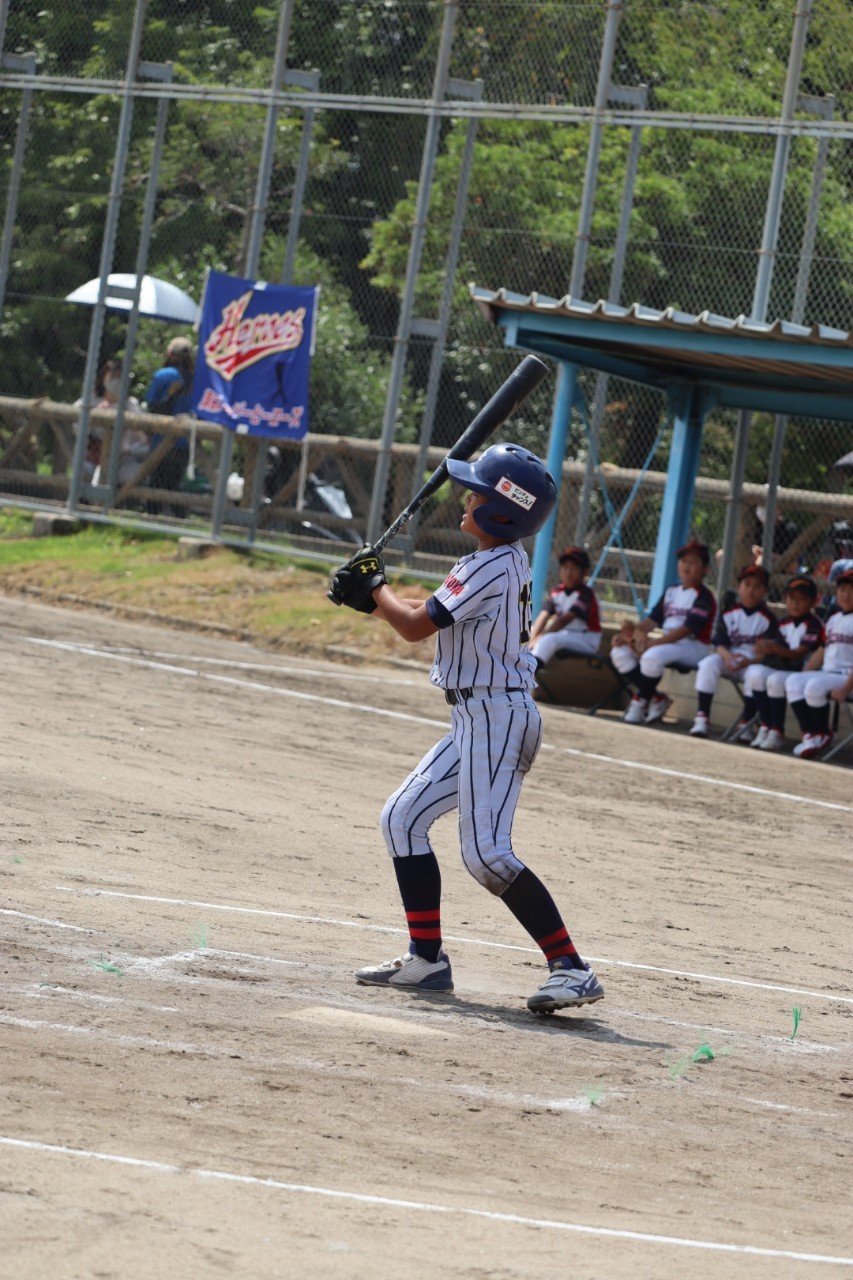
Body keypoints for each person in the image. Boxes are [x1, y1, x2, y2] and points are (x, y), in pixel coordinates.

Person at [329, 443, 604, 1014]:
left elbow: (410, 626)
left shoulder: (490, 563)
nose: (465, 498)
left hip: (498, 718)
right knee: (402, 818)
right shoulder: (498, 559)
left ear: (503, 511)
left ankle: (571, 969)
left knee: (486, 854)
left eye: (477, 493)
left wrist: (374, 587)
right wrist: (371, 597)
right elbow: (422, 610)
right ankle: (427, 960)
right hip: (477, 716)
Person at [611, 540, 716, 726]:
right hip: (667, 643)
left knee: (651, 656)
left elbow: (686, 630)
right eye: (684, 560)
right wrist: (634, 636)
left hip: (693, 646)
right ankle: (656, 698)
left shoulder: (704, 596)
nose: (687, 565)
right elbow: (651, 621)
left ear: (705, 569)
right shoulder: (671, 592)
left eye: (693, 562)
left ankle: (640, 701)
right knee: (619, 652)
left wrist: (652, 644)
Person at [689, 563, 779, 740]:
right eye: (747, 585)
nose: (751, 590)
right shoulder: (729, 613)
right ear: (739, 587)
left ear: (765, 591)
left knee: (755, 674)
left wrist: (749, 661)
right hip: (729, 658)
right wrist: (727, 656)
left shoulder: (769, 620)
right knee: (708, 664)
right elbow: (719, 643)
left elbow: (768, 655)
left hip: (752, 663)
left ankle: (746, 722)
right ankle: (702, 716)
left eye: (757, 586)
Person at [740, 575, 825, 753]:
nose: (795, 603)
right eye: (792, 598)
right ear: (785, 599)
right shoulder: (783, 622)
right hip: (786, 668)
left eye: (802, 599)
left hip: (804, 672)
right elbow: (776, 652)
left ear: (812, 602)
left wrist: (773, 648)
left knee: (775, 680)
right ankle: (768, 726)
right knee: (756, 673)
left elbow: (798, 654)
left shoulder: (815, 624)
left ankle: (777, 730)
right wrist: (765, 648)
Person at [785, 567, 853, 759]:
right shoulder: (833, 619)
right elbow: (822, 650)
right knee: (793, 681)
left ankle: (822, 733)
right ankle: (810, 734)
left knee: (814, 687)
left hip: (847, 677)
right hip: (830, 674)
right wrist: (804, 673)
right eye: (842, 590)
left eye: (851, 590)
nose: (846, 594)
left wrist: (846, 689)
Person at [527, 545, 601, 669]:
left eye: (574, 568)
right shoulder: (556, 592)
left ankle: (528, 675)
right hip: (565, 634)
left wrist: (538, 639)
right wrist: (531, 639)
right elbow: (544, 615)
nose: (568, 572)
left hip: (587, 639)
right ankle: (519, 668)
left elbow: (563, 621)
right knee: (529, 632)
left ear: (585, 572)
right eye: (565, 567)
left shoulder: (586, 593)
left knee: (549, 639)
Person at [144, 336, 196, 493]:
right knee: (175, 487)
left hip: (161, 439)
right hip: (185, 442)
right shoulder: (197, 379)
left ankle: (151, 513)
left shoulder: (162, 375)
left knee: (155, 486)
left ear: (170, 355)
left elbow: (151, 405)